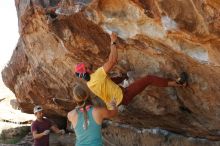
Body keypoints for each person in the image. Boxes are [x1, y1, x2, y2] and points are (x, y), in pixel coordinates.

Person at [74, 32, 188, 109]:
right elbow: (112, 60)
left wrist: (122, 78)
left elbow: (107, 83)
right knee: (149, 79)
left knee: (140, 79)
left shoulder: (90, 83)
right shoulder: (97, 75)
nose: (85, 62)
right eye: (84, 64)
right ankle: (179, 83)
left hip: (116, 102)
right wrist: (113, 41)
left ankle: (179, 83)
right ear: (87, 70)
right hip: (123, 97)